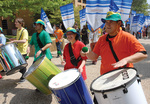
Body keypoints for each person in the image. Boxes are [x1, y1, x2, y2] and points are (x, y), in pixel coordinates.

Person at [80, 11, 148, 103]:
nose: (107, 25)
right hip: (106, 79)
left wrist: (126, 59)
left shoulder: (127, 37)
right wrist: (87, 54)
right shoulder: (102, 39)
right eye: (106, 22)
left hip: (124, 80)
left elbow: (143, 54)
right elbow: (94, 56)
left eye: (111, 22)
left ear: (119, 23)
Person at [9, 18, 28, 82]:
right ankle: (25, 74)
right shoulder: (18, 30)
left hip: (23, 50)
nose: (15, 23)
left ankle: (24, 76)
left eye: (16, 22)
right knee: (18, 64)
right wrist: (13, 39)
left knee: (22, 65)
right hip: (18, 50)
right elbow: (19, 39)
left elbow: (24, 40)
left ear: (21, 23)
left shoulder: (24, 31)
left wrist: (14, 41)